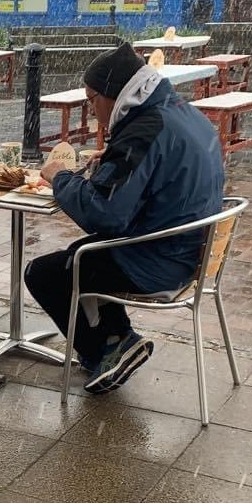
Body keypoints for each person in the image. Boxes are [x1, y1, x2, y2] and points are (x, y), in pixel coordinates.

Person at [24, 41, 224, 394]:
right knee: (83, 254)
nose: (91, 108)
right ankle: (117, 339)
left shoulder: (142, 131)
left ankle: (109, 350)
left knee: (47, 272)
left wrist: (59, 176)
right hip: (190, 249)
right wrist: (114, 160)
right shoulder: (180, 111)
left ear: (111, 96)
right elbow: (158, 172)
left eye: (91, 99)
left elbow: (104, 214)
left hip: (161, 259)